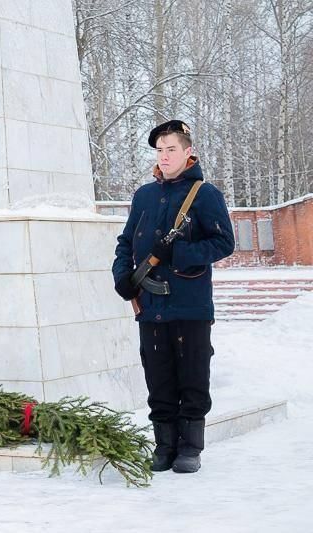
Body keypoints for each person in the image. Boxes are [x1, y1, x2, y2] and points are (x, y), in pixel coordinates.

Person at [112, 120, 235, 474]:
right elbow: (125, 242)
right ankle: (164, 446)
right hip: (150, 307)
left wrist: (180, 252)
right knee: (159, 377)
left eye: (171, 150)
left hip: (190, 305)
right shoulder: (144, 196)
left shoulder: (204, 194)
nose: (164, 157)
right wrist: (123, 277)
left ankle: (190, 448)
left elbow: (224, 243)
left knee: (193, 376)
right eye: (159, 150)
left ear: (187, 152)